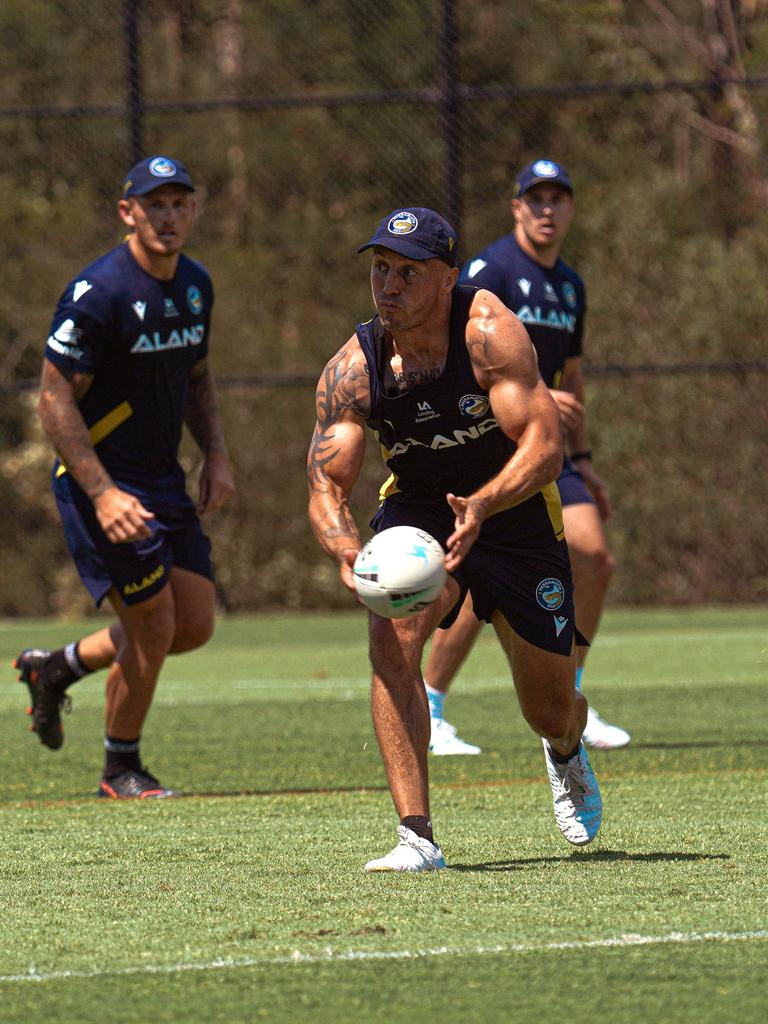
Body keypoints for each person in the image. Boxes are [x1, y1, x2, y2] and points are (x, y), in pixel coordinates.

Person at [307, 207, 602, 872]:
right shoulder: (356, 369)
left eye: (408, 272)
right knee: (391, 643)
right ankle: (418, 836)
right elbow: (325, 486)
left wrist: (486, 502)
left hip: (517, 511)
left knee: (549, 708)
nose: (389, 284)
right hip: (419, 511)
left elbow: (545, 446)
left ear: (447, 277)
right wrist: (347, 550)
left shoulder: (489, 332)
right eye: (381, 269)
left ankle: (565, 750)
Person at [14, 155, 235, 798]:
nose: (167, 216)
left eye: (178, 203)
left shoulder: (195, 284)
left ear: (194, 209)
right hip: (103, 484)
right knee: (154, 624)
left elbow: (197, 379)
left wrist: (217, 454)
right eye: (153, 204)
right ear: (127, 212)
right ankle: (120, 768)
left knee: (193, 623)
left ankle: (58, 668)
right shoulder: (101, 294)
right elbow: (53, 400)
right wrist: (104, 493)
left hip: (164, 479)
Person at [422, 159, 631, 756]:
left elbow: (576, 371)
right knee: (477, 576)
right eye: (534, 199)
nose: (546, 209)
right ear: (516, 207)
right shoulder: (493, 270)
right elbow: (467, 353)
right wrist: (538, 393)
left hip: (553, 453)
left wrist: (584, 457)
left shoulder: (570, 285)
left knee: (594, 557)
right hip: (493, 446)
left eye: (557, 199)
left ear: (570, 209)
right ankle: (432, 705)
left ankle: (570, 698)